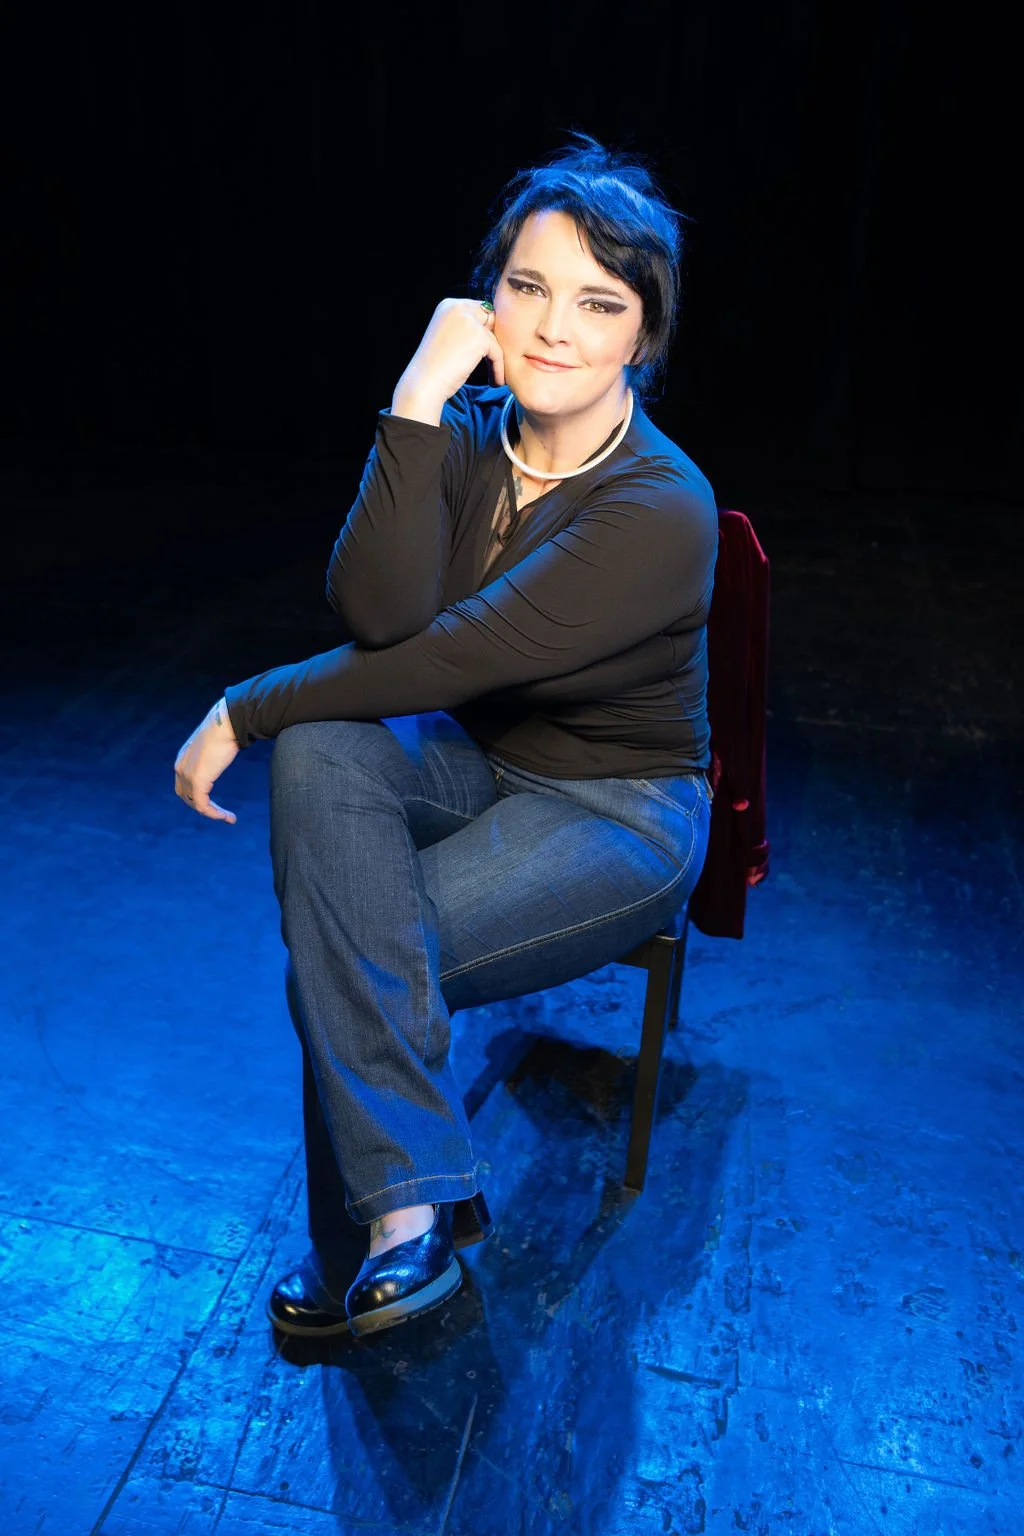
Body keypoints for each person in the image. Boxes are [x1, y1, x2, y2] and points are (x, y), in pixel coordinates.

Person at [174, 133, 719, 1340]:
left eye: (599, 302)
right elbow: (376, 618)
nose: (554, 328)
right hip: (481, 765)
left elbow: (446, 657)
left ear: (644, 337)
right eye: (527, 288)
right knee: (325, 750)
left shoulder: (660, 507)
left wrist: (240, 706)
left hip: (617, 809)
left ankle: (377, 1237)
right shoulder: (468, 433)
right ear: (485, 302)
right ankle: (410, 1228)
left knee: (348, 946)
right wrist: (416, 399)